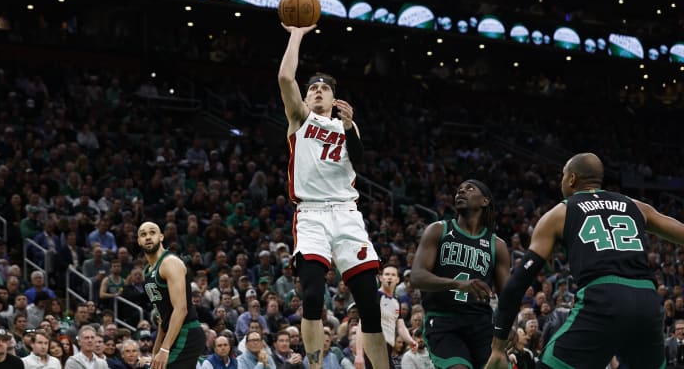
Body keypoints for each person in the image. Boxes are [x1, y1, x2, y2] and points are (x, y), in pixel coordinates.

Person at [485, 153, 684, 369]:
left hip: (603, 298)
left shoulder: (561, 212)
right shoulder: (635, 206)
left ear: (571, 179)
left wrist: (497, 347)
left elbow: (517, 283)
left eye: (562, 175)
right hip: (648, 301)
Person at [278, 23, 388, 369]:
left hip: (346, 214)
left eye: (326, 88)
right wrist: (296, 34)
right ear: (307, 97)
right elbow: (285, 79)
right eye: (314, 88)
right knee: (312, 297)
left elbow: (360, 160)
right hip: (310, 215)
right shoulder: (299, 119)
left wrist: (351, 127)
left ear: (335, 98)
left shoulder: (347, 127)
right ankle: (314, 366)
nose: (320, 91)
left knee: (370, 305)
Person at [410, 179, 511, 369]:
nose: (461, 192)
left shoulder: (497, 245)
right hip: (442, 321)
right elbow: (416, 277)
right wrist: (456, 284)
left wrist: (506, 329)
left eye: (469, 189)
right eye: (459, 190)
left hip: (481, 325)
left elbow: (507, 297)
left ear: (485, 201)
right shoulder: (438, 230)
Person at [137, 222, 206, 368]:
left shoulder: (170, 263)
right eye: (143, 234)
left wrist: (164, 348)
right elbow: (163, 318)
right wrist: (155, 354)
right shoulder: (147, 272)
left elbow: (181, 309)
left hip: (187, 333)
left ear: (161, 237)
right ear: (138, 241)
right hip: (172, 334)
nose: (148, 237)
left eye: (152, 232)